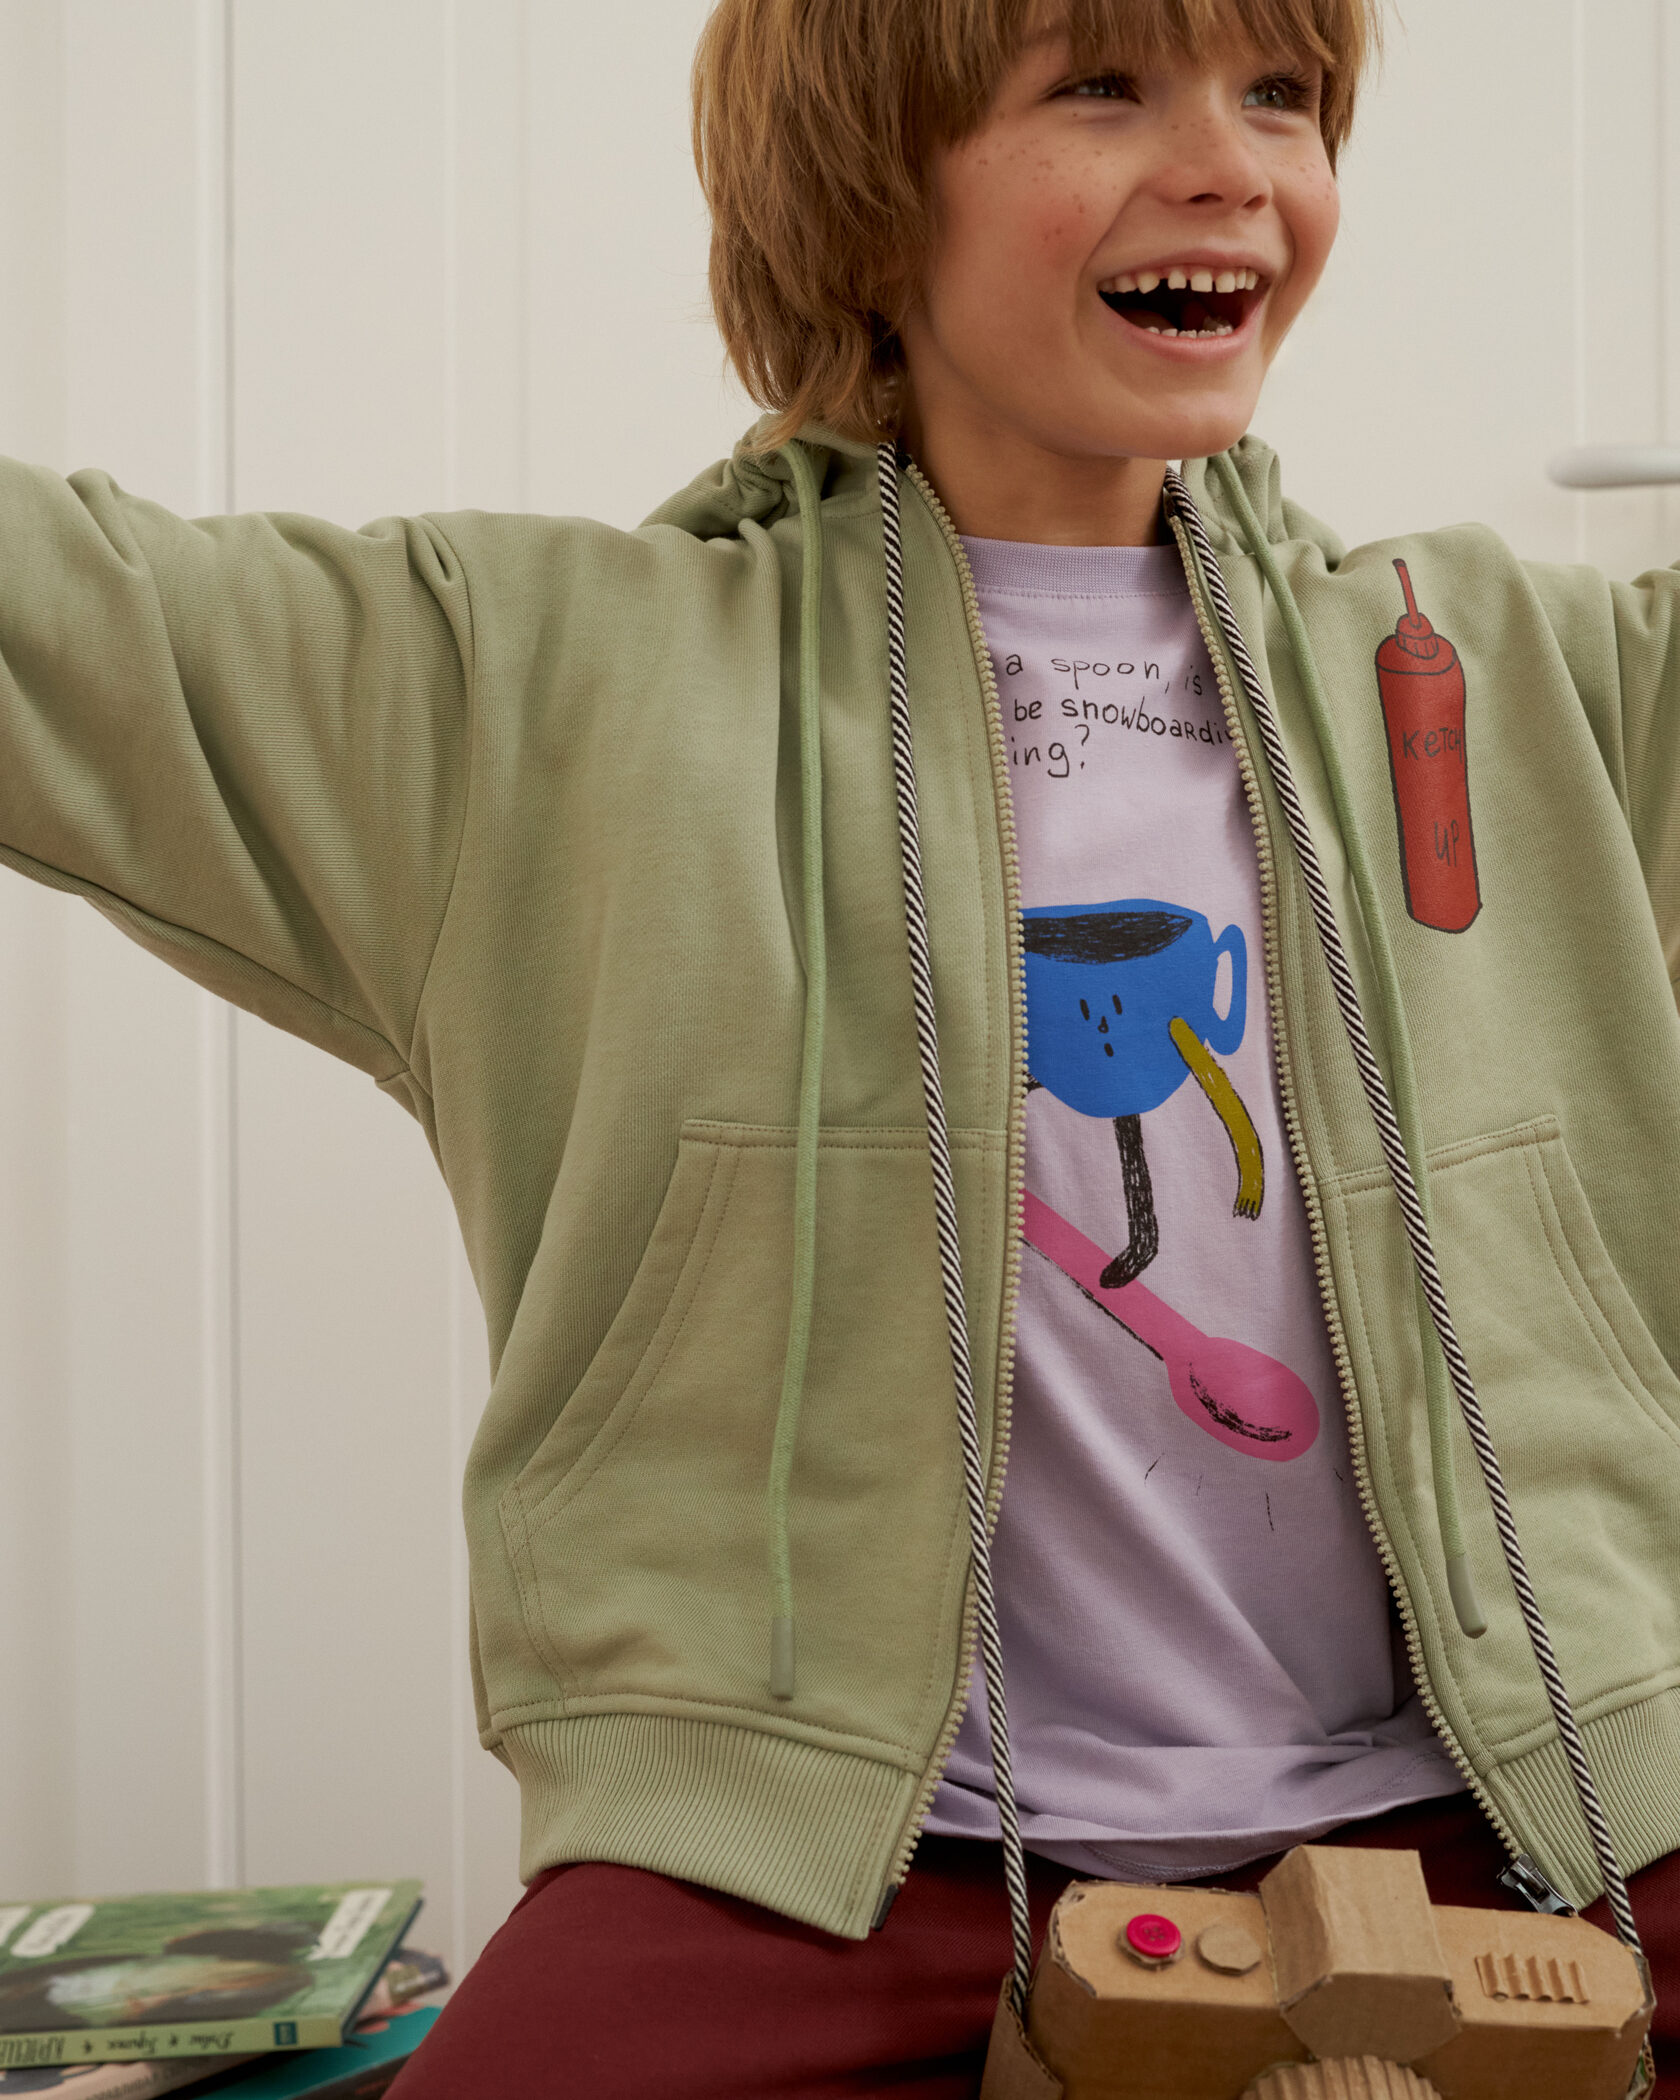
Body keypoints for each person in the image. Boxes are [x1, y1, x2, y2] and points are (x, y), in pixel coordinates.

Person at [0, 0, 1676, 2092]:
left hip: (1531, 1787)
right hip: (840, 1852)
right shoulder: (543, 691)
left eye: (1282, 97)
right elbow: (60, 612)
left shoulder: (1513, 673)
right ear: (873, 194)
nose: (1233, 166)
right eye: (1103, 87)